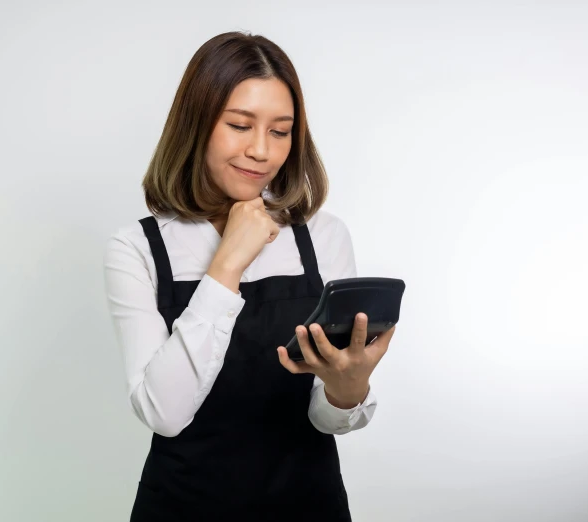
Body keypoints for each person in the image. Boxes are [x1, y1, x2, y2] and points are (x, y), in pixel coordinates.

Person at [104, 31, 396, 522]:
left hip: (309, 507)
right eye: (240, 125)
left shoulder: (323, 237)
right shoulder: (137, 249)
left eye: (280, 132)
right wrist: (227, 264)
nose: (261, 151)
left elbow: (326, 417)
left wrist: (349, 388)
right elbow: (163, 413)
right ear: (196, 125)